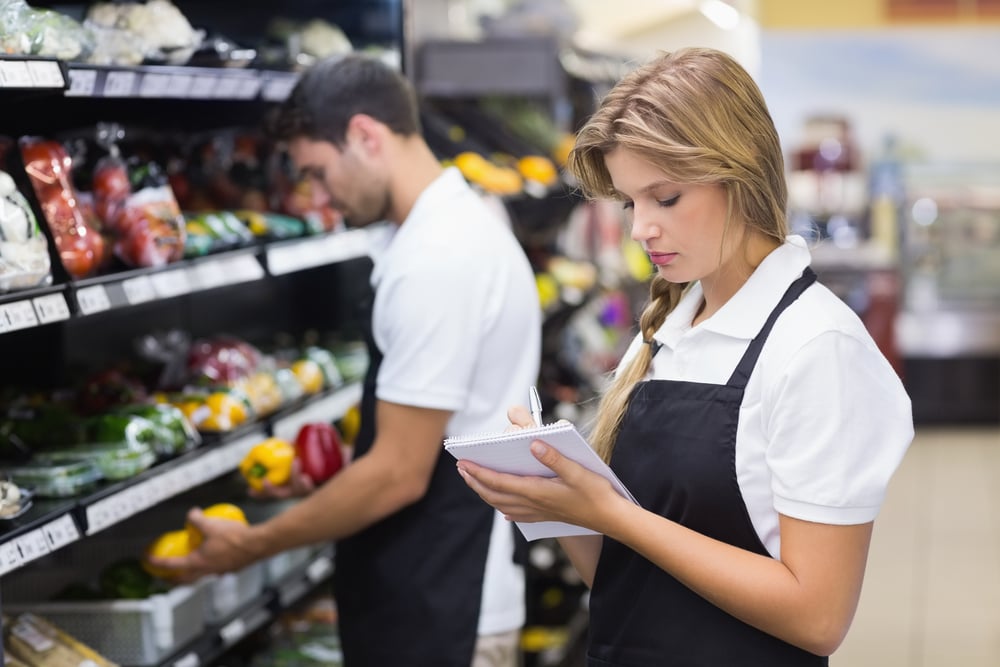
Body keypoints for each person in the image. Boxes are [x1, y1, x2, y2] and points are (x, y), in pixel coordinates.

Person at [455, 47, 913, 666]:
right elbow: (629, 587)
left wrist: (612, 514)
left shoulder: (815, 347)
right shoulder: (668, 334)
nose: (641, 228)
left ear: (741, 176)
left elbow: (819, 616)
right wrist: (557, 503)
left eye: (664, 198)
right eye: (629, 203)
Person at [152, 54, 541, 666]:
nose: (318, 195)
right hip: (432, 583)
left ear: (365, 136)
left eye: (318, 170)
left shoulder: (438, 257)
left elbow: (398, 473)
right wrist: (337, 483)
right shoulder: (454, 227)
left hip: (447, 602)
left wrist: (249, 546)